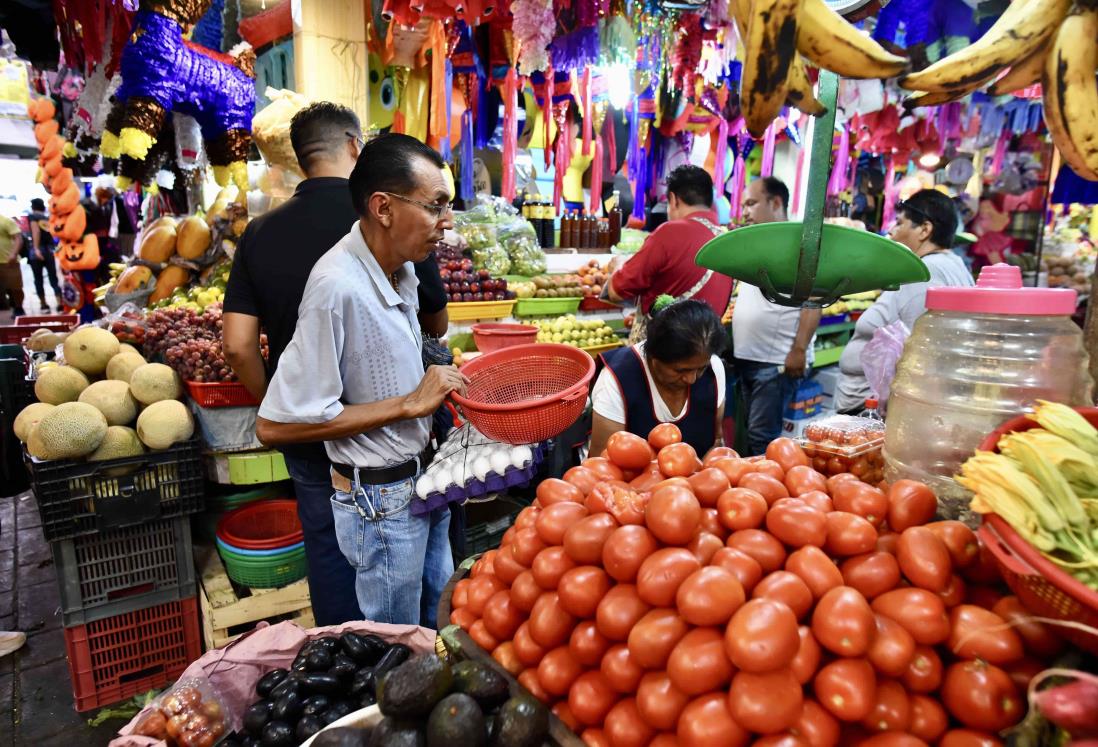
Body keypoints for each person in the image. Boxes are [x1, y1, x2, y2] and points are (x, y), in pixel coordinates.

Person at [223, 104, 448, 626]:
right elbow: (275, 424)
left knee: (429, 625)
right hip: (378, 500)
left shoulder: (401, 269)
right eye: (436, 205)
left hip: (417, 482)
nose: (447, 221)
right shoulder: (335, 287)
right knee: (391, 647)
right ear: (384, 208)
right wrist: (408, 403)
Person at [835, 189, 974, 414]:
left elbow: (918, 354)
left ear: (924, 230)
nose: (891, 231)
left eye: (899, 223)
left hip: (873, 407)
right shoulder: (954, 265)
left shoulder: (924, 272)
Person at [732, 177, 821, 456]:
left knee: (762, 438)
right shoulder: (758, 242)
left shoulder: (798, 245)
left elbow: (813, 301)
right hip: (751, 358)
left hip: (775, 363)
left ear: (776, 202)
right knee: (752, 434)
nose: (745, 211)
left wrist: (799, 349)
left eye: (752, 203)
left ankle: (763, 494)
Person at [589, 300, 728, 457]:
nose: (691, 379)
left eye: (700, 369)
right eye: (680, 370)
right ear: (653, 357)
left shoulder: (713, 368)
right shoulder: (618, 378)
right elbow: (602, 463)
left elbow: (716, 440)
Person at [606, 165, 733, 322]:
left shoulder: (670, 232)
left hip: (666, 344)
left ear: (673, 199)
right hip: (706, 343)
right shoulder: (726, 240)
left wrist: (617, 266)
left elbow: (617, 291)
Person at [26, 198, 62, 312]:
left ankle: (44, 305)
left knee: (38, 279)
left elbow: (35, 231)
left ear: (33, 206)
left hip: (38, 250)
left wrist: (36, 248)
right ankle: (59, 303)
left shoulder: (33, 216)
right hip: (49, 250)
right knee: (53, 277)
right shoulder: (47, 217)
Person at [0, 214, 25, 317]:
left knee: (15, 287)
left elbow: (18, 238)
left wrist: (14, 254)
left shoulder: (6, 220)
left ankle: (18, 307)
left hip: (8, 261)